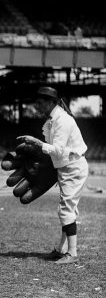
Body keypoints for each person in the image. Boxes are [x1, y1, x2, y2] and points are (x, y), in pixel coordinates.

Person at [17, 86, 88, 264]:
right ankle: (62, 249)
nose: (38, 106)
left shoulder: (62, 120)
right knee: (66, 210)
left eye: (41, 103)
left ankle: (72, 253)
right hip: (65, 167)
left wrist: (37, 143)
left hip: (72, 166)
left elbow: (58, 151)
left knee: (66, 210)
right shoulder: (52, 120)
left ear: (51, 102)